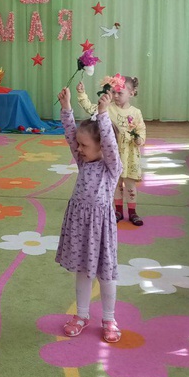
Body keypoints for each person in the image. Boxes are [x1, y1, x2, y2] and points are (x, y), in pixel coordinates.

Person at [56, 87, 123, 343]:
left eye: (84, 145)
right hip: (79, 224)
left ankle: (109, 318)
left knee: (105, 275)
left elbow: (110, 144)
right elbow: (70, 135)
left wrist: (103, 113)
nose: (79, 149)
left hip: (100, 228)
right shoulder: (83, 161)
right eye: (79, 145)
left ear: (102, 147)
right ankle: (81, 315)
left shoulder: (112, 167)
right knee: (83, 271)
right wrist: (66, 108)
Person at [76, 76, 145, 225]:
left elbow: (141, 130)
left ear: (131, 93)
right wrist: (82, 94)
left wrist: (139, 139)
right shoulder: (108, 108)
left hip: (130, 156)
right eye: (113, 92)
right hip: (113, 155)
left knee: (130, 185)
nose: (116, 96)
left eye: (120, 93)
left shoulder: (136, 112)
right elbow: (90, 108)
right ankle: (118, 210)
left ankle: (132, 212)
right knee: (116, 185)